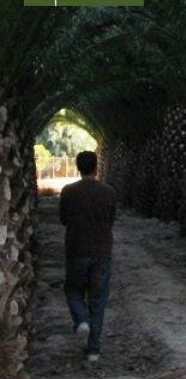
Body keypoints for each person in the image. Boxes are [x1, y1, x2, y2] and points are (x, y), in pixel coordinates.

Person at [59, 151, 117, 362]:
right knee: (98, 300)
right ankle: (93, 350)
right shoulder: (109, 192)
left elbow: (63, 219)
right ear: (96, 167)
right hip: (102, 253)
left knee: (73, 290)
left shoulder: (68, 191)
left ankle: (81, 320)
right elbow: (111, 220)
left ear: (78, 167)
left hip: (76, 251)